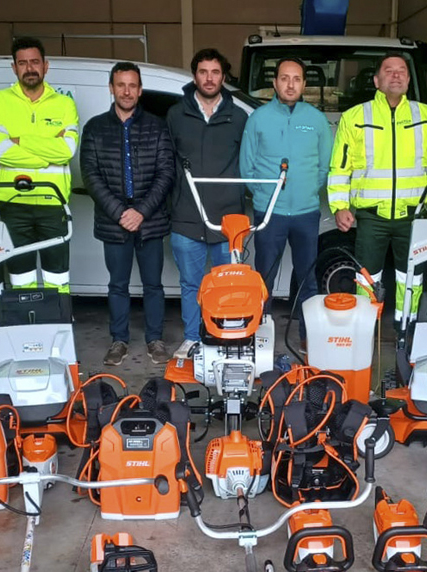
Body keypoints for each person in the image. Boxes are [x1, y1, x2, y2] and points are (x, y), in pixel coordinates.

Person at [327, 52, 427, 329]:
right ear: (376, 80)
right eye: (389, 70)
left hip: (415, 214)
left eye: (401, 71)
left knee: (411, 277)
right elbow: (340, 167)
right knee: (368, 277)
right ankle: (365, 328)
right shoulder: (355, 117)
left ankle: (407, 329)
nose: (396, 75)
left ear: (408, 79)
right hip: (372, 215)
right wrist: (340, 206)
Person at [80, 62, 175, 366]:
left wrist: (141, 212)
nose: (127, 91)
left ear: (140, 89)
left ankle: (155, 340)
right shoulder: (95, 127)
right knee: (117, 285)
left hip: (150, 221)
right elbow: (90, 175)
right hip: (114, 221)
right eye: (121, 85)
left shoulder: (157, 125)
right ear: (111, 88)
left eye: (132, 85)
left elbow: (166, 173)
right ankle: (118, 340)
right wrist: (121, 212)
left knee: (153, 285)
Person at [239, 57, 332, 344]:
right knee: (264, 278)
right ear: (275, 83)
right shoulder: (258, 118)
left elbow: (324, 166)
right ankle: (260, 336)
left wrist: (307, 190)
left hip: (306, 213)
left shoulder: (316, 120)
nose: (290, 84)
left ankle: (308, 337)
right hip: (270, 213)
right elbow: (247, 165)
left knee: (308, 278)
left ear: (304, 84)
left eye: (296, 79)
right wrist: (264, 197)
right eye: (284, 78)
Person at [166, 48, 249, 360]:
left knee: (228, 288)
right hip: (187, 218)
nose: (209, 78)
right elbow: (167, 163)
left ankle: (225, 337)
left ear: (223, 77)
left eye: (215, 72)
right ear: (194, 75)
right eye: (203, 72)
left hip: (229, 221)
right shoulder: (176, 115)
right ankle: (191, 338)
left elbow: (249, 163)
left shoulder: (239, 117)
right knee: (190, 284)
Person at [0, 37, 79, 292]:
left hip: (52, 201)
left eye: (35, 62)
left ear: (46, 66)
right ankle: (25, 330)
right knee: (20, 278)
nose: (29, 68)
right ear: (14, 68)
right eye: (23, 63)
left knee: (57, 278)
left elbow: (67, 151)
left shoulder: (64, 104)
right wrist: (48, 150)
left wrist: (19, 141)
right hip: (14, 204)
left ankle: (57, 329)